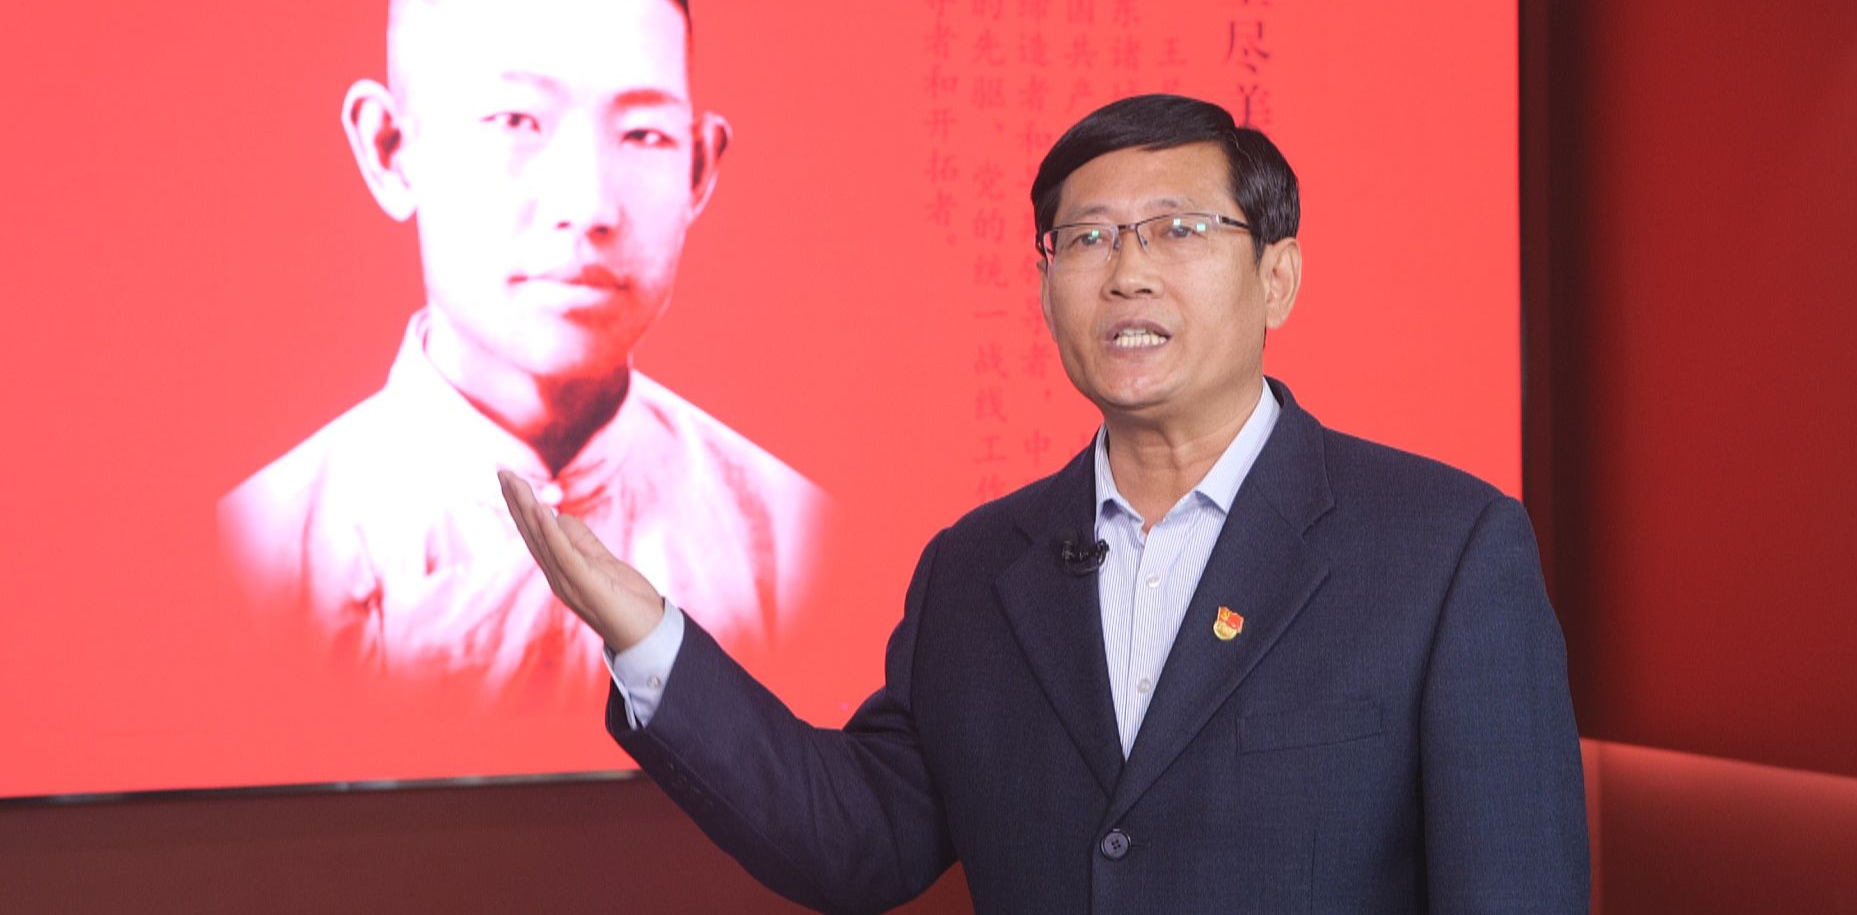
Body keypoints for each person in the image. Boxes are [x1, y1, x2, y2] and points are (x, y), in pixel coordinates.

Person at [501, 94, 1589, 910]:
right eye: (1088, 238)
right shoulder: (979, 568)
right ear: (1045, 284)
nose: (1127, 273)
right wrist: (645, 637)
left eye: (1178, 230)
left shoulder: (1444, 552)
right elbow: (857, 840)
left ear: (1278, 278)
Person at [220, 0, 827, 703]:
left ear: (699, 166)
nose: (588, 205)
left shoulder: (790, 538)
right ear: (390, 147)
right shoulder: (261, 551)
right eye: (515, 121)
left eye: (643, 133)